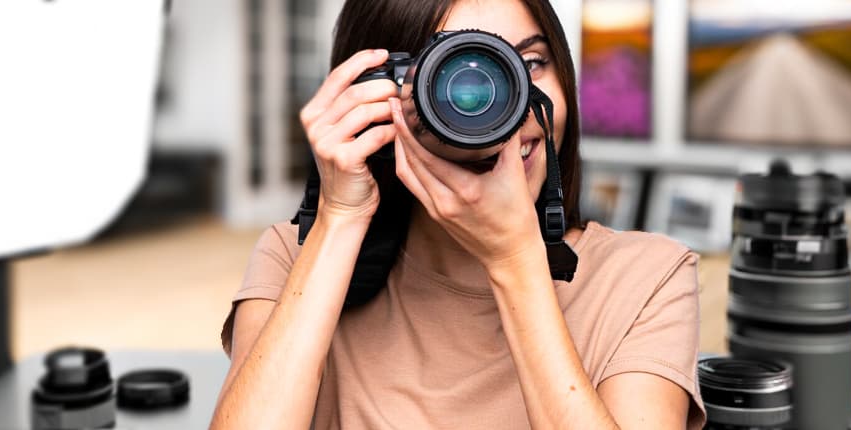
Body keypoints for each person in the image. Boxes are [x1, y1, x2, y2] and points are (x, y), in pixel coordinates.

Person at [212, 0, 705, 428]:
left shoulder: (647, 279)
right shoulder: (297, 258)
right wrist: (340, 216)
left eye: (529, 63)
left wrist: (515, 258)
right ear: (377, 98)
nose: (498, 103)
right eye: (454, 72)